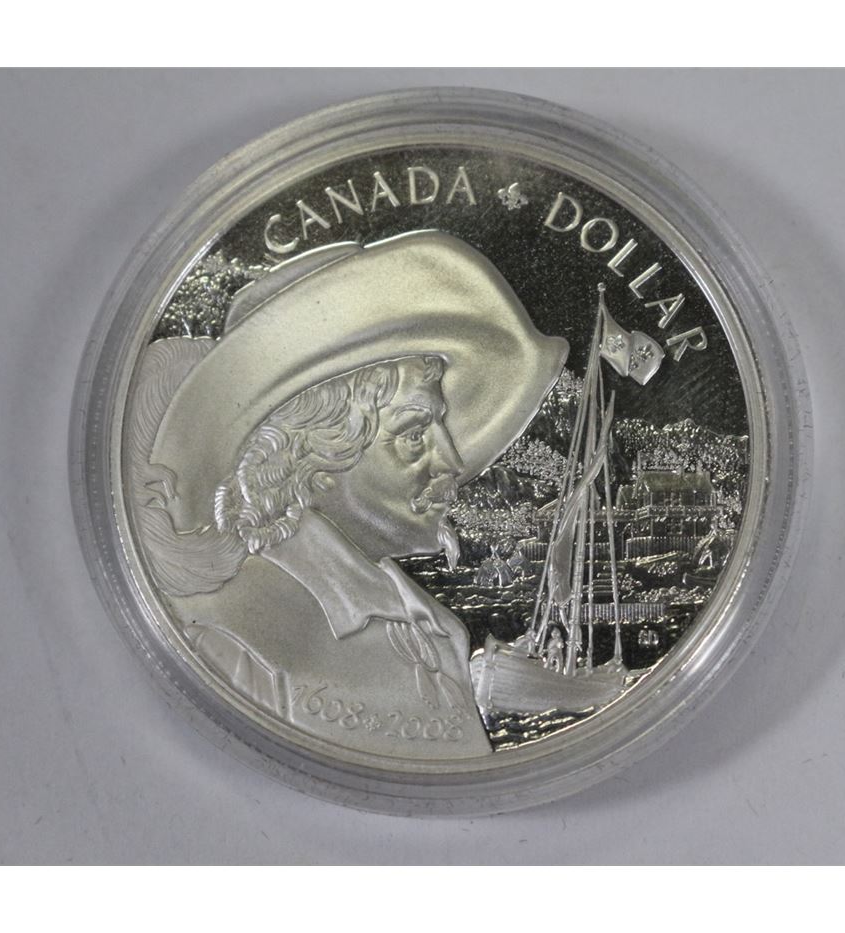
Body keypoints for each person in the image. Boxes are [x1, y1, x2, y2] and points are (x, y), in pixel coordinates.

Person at [129, 231, 567, 758]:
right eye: (414, 435)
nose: (453, 462)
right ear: (311, 458)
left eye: (441, 430)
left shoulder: (439, 632)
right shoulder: (230, 645)